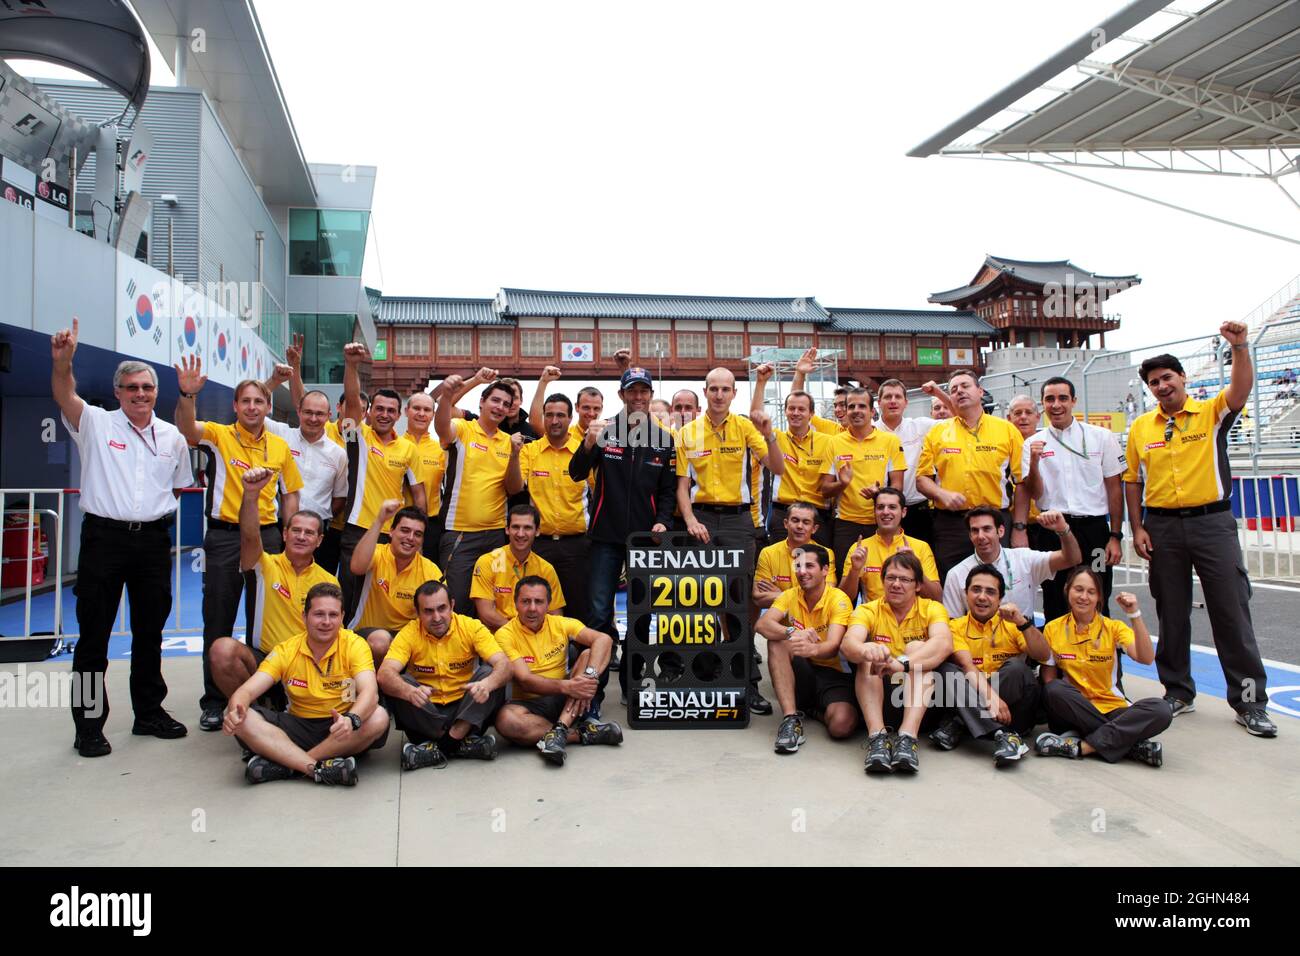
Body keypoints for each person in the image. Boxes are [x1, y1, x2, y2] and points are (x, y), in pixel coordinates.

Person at [1124, 324, 1277, 737]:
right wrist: (1137, 527)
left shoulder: (1210, 413)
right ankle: (1177, 691)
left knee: (1230, 612)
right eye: (1154, 382)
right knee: (1171, 612)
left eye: (1167, 378)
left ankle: (1249, 703)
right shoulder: (1141, 428)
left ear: (1182, 379)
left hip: (1212, 524)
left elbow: (1241, 390)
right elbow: (1132, 480)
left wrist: (1240, 347)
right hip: (1161, 528)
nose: (1161, 386)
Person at [51, 320, 193, 757]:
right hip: (104, 541)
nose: (140, 394)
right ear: (118, 392)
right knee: (93, 636)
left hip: (152, 543)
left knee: (150, 634)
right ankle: (89, 726)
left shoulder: (172, 437)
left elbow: (177, 486)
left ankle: (149, 713)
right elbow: (64, 393)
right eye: (131, 387)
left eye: (147, 387)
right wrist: (63, 363)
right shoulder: (95, 423)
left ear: (156, 391)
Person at [174, 356, 303, 731]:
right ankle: (215, 700)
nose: (251, 407)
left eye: (258, 402)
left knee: (265, 620)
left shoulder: (279, 446)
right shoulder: (218, 435)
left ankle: (266, 693)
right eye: (245, 401)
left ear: (267, 407)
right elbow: (187, 428)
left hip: (267, 537)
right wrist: (187, 395)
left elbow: (291, 493)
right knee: (219, 616)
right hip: (225, 537)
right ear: (235, 406)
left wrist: (290, 528)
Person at [569, 367, 676, 704]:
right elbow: (576, 473)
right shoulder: (604, 431)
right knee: (599, 614)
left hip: (645, 542)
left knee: (642, 614)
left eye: (644, 391)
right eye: (633, 391)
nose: (639, 397)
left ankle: (634, 683)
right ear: (622, 396)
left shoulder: (663, 439)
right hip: (605, 537)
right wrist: (588, 444)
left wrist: (662, 522)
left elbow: (668, 492)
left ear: (650, 395)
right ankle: (594, 689)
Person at [222, 582, 389, 785]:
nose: (326, 622)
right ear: (304, 617)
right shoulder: (286, 649)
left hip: (342, 727)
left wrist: (351, 719)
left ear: (342, 617)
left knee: (379, 716)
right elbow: (246, 691)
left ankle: (288, 765)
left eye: (333, 615)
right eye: (319, 614)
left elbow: (370, 692)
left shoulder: (355, 644)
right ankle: (316, 768)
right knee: (244, 718)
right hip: (297, 726)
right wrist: (234, 711)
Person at [208, 468, 339, 707]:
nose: (301, 537)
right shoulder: (264, 565)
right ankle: (253, 716)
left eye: (309, 533)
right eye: (296, 531)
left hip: (306, 663)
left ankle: (287, 708)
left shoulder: (328, 581)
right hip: (264, 659)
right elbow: (249, 536)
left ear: (319, 541)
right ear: (285, 534)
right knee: (222, 650)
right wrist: (250, 495)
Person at [1034, 568, 1171, 766]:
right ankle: (1131, 744)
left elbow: (1146, 657)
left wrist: (1134, 614)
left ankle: (1082, 747)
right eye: (1078, 590)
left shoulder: (1113, 628)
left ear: (1099, 597)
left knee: (1161, 709)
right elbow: (1049, 678)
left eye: (1091, 592)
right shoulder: (1052, 628)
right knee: (1053, 689)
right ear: (1067, 590)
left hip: (1112, 707)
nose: (1084, 597)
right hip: (1073, 708)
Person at [1013, 377, 1124, 620]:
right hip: (1051, 530)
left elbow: (1115, 488)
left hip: (1093, 529)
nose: (1056, 404)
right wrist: (1034, 461)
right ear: (1043, 405)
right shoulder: (1033, 444)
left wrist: (1115, 536)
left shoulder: (1101, 437)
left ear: (1073, 401)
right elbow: (1034, 492)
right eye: (1049, 399)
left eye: (1063, 398)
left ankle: (1102, 654)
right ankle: (1056, 656)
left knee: (1096, 593)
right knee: (1055, 596)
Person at [376, 580, 510, 769]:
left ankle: (442, 746)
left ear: (452, 606)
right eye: (428, 611)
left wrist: (487, 684)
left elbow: (504, 665)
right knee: (400, 682)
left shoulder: (472, 627)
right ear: (418, 613)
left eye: (442, 608)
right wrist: (408, 692)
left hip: (465, 713)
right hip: (426, 713)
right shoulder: (409, 633)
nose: (437, 617)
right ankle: (463, 745)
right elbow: (384, 674)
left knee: (489, 674)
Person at [840, 552, 952, 774]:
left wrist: (903, 663)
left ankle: (907, 739)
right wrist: (866, 649)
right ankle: (877, 738)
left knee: (918, 649)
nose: (896, 584)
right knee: (869, 655)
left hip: (922, 703)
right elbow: (848, 643)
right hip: (880, 699)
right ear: (882, 581)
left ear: (918, 585)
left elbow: (944, 643)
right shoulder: (867, 609)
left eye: (905, 579)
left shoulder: (932, 608)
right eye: (890, 578)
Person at [494, 576, 623, 765]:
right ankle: (578, 735)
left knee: (588, 654)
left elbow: (604, 639)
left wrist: (589, 678)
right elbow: (525, 680)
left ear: (548, 604)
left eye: (539, 602)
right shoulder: (504, 634)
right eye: (525, 601)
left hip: (566, 700)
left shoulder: (560, 624)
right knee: (505, 720)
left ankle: (560, 728)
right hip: (529, 704)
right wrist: (568, 687)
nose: (532, 608)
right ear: (515, 604)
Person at [929, 564, 1048, 765]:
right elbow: (967, 665)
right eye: (976, 590)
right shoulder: (954, 627)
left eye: (990, 592)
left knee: (1017, 668)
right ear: (966, 593)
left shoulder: (1014, 624)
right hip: (989, 700)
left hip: (1013, 710)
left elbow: (1043, 655)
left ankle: (961, 723)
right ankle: (1003, 736)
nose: (982, 597)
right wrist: (991, 697)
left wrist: (1023, 622)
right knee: (947, 670)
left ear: (1000, 598)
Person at [338, 344, 424, 617]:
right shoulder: (358, 436)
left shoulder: (408, 449)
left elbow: (418, 495)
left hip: (393, 536)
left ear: (398, 415)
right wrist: (351, 366)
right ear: (369, 412)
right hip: (357, 530)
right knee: (350, 596)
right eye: (379, 409)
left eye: (391, 410)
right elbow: (351, 403)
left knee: (383, 600)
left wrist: (417, 533)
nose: (385, 414)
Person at [915, 369, 1025, 581]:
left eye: (965, 386)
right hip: (951, 525)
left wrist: (1019, 527)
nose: (959, 392)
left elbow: (1022, 483)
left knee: (999, 583)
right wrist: (941, 494)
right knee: (952, 584)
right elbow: (922, 480)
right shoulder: (937, 433)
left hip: (995, 520)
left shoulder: (1007, 431)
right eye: (953, 389)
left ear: (980, 391)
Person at [755, 545, 858, 754]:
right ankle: (791, 719)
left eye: (809, 566)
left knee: (841, 726)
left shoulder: (838, 599)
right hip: (803, 671)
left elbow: (832, 647)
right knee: (777, 641)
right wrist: (792, 632)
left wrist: (812, 649)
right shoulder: (790, 595)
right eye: (799, 566)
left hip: (835, 675)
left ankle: (811, 710)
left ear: (825, 570)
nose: (802, 572)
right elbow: (762, 625)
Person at [435, 373, 515, 613]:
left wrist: (515, 456)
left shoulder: (509, 442)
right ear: (482, 402)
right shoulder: (462, 429)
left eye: (505, 404)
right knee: (457, 602)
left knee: (495, 603)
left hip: (497, 539)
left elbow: (513, 488)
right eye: (495, 400)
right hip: (461, 534)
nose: (500, 407)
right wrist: (450, 393)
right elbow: (440, 424)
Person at [510, 394, 591, 624]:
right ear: (543, 417)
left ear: (570, 418)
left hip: (577, 545)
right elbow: (515, 487)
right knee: (536, 608)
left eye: (560, 415)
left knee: (579, 608)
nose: (555, 421)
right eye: (550, 415)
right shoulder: (529, 451)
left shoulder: (584, 452)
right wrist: (514, 455)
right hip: (539, 545)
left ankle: (580, 658)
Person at [261, 366, 348, 576]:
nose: (313, 418)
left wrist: (318, 519)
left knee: (319, 593)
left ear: (329, 416)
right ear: (299, 411)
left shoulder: (339, 453)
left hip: (320, 534)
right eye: (308, 412)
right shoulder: (281, 435)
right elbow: (254, 411)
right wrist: (273, 381)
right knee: (276, 589)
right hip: (280, 529)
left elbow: (339, 498)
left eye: (319, 414)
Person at [349, 499, 444, 663]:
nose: (410, 538)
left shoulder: (430, 570)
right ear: (391, 531)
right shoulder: (377, 553)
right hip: (366, 635)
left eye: (418, 534)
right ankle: (375, 687)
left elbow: (441, 612)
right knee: (381, 642)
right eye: (405, 530)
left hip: (407, 639)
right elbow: (357, 567)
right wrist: (379, 520)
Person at [751, 363, 836, 546]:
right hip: (784, 514)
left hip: (817, 515)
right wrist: (761, 382)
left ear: (811, 413)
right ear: (785, 411)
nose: (795, 413)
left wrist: (800, 374)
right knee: (781, 567)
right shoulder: (776, 438)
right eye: (791, 408)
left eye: (801, 409)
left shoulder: (828, 441)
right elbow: (757, 420)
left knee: (818, 568)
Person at [942, 507, 1080, 617]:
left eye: (987, 529)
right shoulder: (956, 574)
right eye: (975, 531)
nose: (981, 536)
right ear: (970, 535)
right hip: (980, 645)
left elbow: (1072, 559)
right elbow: (954, 625)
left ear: (1000, 531)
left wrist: (1063, 529)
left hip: (1023, 639)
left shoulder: (1024, 559)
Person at [819, 387, 904, 564]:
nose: (856, 411)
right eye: (851, 406)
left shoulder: (890, 441)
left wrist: (879, 494)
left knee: (883, 578)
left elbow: (898, 486)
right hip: (845, 524)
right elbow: (824, 490)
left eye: (862, 406)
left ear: (872, 411)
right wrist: (842, 483)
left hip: (881, 522)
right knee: (846, 580)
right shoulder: (833, 443)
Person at [875, 377, 956, 544]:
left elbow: (959, 418)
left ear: (906, 402)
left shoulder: (920, 427)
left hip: (918, 511)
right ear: (878, 402)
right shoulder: (870, 431)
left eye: (898, 397)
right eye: (888, 397)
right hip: (880, 510)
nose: (893, 401)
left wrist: (938, 393)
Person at [471, 504, 566, 630]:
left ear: (537, 531)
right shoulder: (487, 562)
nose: (520, 534)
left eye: (527, 528)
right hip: (498, 637)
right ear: (507, 529)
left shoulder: (546, 569)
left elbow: (556, 615)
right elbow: (486, 614)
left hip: (535, 636)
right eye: (515, 527)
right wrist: (518, 634)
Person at [840, 486, 940, 604]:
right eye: (880, 507)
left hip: (911, 618)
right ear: (874, 512)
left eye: (892, 507)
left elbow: (936, 598)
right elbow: (843, 599)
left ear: (903, 512)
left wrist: (915, 566)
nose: (886, 512)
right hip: (873, 618)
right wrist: (855, 570)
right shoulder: (859, 548)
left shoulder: (921, 547)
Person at [753, 501, 837, 607]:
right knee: (761, 624)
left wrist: (781, 595)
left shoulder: (825, 553)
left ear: (814, 529)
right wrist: (806, 595)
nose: (800, 526)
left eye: (806, 522)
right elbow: (758, 598)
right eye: (795, 520)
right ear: (785, 523)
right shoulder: (768, 553)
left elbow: (826, 596)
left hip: (814, 622)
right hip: (780, 620)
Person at [401, 390, 447, 565]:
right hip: (397, 523)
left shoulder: (442, 450)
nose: (421, 414)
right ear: (406, 411)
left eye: (427, 410)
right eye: (416, 408)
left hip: (431, 526)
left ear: (433, 415)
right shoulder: (395, 445)